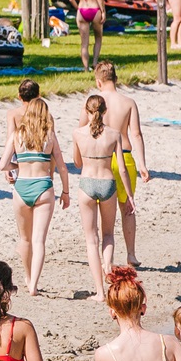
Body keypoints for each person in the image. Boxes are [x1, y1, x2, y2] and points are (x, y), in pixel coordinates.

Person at [0, 91, 67, 296]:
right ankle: (33, 285)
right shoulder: (49, 136)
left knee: (25, 239)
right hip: (43, 187)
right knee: (39, 240)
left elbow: (2, 164)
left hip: (21, 187)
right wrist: (66, 191)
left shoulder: (17, 135)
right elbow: (62, 167)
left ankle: (27, 276)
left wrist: (16, 166)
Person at [92, 61, 150, 268]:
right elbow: (136, 134)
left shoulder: (94, 102)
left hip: (103, 159)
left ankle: (105, 257)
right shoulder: (128, 102)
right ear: (116, 79)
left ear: (99, 82)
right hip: (125, 157)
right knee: (128, 208)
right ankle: (131, 254)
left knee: (104, 211)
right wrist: (142, 164)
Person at [70, 94, 123, 294]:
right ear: (105, 111)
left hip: (87, 183)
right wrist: (130, 197)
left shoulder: (77, 133)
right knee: (108, 234)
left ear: (86, 111)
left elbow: (77, 163)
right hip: (108, 182)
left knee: (91, 239)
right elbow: (122, 169)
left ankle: (100, 292)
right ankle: (107, 266)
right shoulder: (114, 134)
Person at [69, 0, 108, 71]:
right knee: (98, 38)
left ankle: (85, 68)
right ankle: (95, 63)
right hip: (94, 9)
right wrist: (103, 11)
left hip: (82, 10)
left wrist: (78, 8)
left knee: (84, 43)